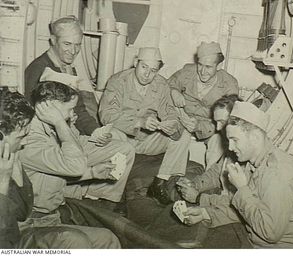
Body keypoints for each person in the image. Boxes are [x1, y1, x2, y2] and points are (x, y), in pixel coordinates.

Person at [184, 101, 293, 248]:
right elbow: (247, 210)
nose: (230, 147)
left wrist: (242, 188)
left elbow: (270, 233)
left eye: (235, 140)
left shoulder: (276, 172)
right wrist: (206, 213)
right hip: (255, 238)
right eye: (229, 140)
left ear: (255, 137)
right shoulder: (254, 163)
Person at [0, 87, 120, 248]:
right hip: (10, 239)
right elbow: (6, 236)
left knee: (107, 238)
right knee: (73, 240)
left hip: (28, 224)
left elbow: (23, 210)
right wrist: (3, 182)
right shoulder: (28, 147)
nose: (25, 142)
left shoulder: (11, 155)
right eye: (21, 137)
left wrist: (92, 172)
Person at [99, 47, 190, 205]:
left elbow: (170, 113)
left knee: (184, 134)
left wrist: (172, 124)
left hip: (146, 140)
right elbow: (106, 115)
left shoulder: (161, 85)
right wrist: (138, 122)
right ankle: (113, 195)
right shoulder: (118, 81)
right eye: (144, 67)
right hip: (122, 137)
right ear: (136, 63)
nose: (147, 74)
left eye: (153, 70)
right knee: (111, 133)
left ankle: (160, 183)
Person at [25, 15, 99, 135]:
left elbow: (79, 110)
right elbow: (29, 114)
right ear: (53, 40)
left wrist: (96, 131)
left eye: (78, 44)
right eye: (67, 44)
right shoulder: (38, 68)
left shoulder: (67, 68)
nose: (74, 51)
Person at [168, 41, 239, 167]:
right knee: (176, 135)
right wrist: (173, 91)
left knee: (218, 143)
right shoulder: (187, 71)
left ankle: (208, 179)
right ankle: (166, 177)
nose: (202, 71)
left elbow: (227, 121)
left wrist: (199, 126)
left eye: (208, 67)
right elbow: (167, 84)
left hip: (210, 126)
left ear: (219, 66)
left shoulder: (229, 84)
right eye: (200, 65)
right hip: (183, 119)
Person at [177, 94, 241, 228]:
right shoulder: (232, 146)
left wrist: (200, 198)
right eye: (216, 122)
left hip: (233, 213)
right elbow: (217, 172)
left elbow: (238, 204)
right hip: (222, 204)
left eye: (222, 122)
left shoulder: (246, 154)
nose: (217, 128)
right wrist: (195, 185)